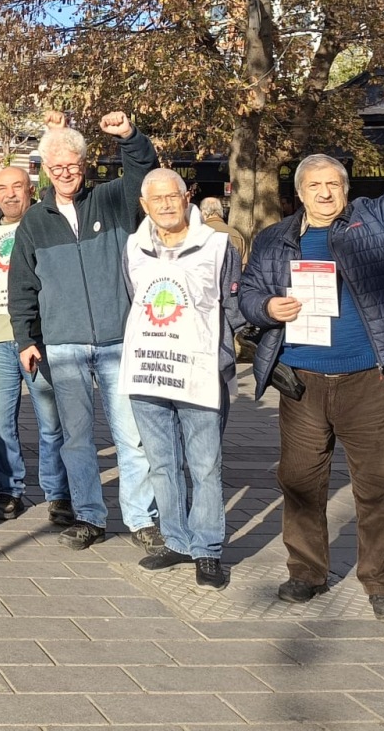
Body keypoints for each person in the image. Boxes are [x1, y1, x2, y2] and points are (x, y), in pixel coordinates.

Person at [239, 93, 384, 624]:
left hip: (368, 380)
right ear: (299, 194)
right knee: (300, 481)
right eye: (314, 185)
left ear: (346, 189)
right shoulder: (274, 240)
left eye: (334, 184)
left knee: (380, 486)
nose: (325, 192)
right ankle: (306, 572)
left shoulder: (374, 221)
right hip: (301, 381)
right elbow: (247, 295)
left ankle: (383, 584)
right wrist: (268, 307)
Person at [7, 110, 162, 551]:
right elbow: (22, 285)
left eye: (72, 165)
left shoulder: (112, 201)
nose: (65, 173)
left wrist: (129, 136)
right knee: (76, 439)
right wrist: (26, 339)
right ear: (45, 170)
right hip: (63, 344)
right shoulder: (35, 221)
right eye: (56, 167)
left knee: (131, 436)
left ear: (84, 164)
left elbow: (144, 171)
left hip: (117, 339)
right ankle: (90, 516)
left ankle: (141, 519)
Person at [124, 170, 244, 590]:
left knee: (205, 465)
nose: (165, 205)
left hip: (200, 371)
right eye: (156, 199)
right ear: (144, 205)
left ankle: (207, 549)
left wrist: (228, 356)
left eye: (172, 196)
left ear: (186, 197)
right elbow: (135, 301)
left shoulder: (218, 245)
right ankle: (176, 540)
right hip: (149, 371)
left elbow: (233, 306)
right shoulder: (133, 247)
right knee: (162, 462)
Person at [0, 164, 70, 523]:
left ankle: (58, 494)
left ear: (31, 190)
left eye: (17, 187)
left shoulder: (45, 225)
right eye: (3, 188)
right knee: (1, 421)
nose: (9, 194)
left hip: (37, 337)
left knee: (50, 419)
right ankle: (9, 489)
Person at [198, 196, 249, 261]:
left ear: (203, 212)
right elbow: (244, 263)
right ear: (221, 211)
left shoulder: (197, 233)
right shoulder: (236, 235)